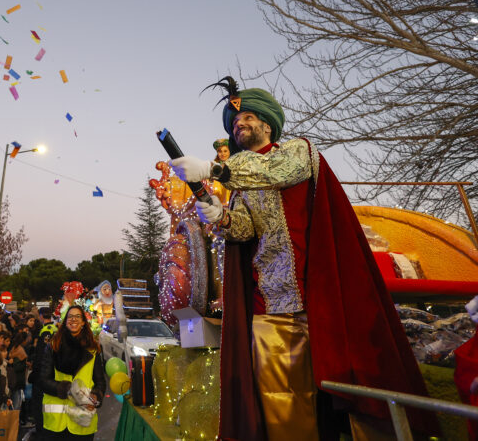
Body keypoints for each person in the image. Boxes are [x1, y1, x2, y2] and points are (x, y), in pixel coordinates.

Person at [169, 79, 439, 440]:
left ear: (267, 123)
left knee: (353, 395)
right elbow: (245, 231)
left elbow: (277, 172)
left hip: (322, 304)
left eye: (247, 117)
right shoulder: (242, 178)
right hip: (271, 309)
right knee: (280, 405)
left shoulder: (297, 152)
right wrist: (220, 216)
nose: (240, 125)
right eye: (235, 123)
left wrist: (214, 170)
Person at [39, 306, 105, 440]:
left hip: (82, 420)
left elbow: (100, 382)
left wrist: (95, 397)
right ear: (65, 321)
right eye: (70, 316)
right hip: (57, 423)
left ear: (83, 323)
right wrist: (68, 390)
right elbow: (43, 380)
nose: (73, 319)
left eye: (78, 316)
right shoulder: (53, 346)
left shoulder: (93, 349)